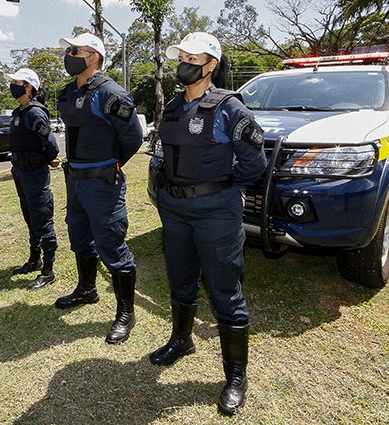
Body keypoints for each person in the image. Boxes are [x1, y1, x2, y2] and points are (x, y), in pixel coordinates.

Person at [148, 32, 267, 415]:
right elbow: (162, 155)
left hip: (216, 212)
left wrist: (222, 187)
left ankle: (235, 376)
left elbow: (254, 163)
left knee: (224, 292)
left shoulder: (230, 108)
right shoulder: (171, 108)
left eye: (191, 57)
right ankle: (182, 340)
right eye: (180, 55)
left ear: (211, 65)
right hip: (176, 210)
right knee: (180, 280)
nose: (183, 62)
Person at [55, 33, 143, 345]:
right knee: (79, 236)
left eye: (75, 50)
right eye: (69, 49)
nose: (69, 54)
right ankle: (86, 289)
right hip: (75, 179)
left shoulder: (110, 93)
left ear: (93, 57)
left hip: (102, 182)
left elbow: (133, 138)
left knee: (111, 243)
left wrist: (109, 165)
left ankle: (125, 312)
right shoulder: (66, 94)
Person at [5, 68, 60, 291]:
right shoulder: (20, 112)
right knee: (30, 217)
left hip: (35, 174)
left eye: (17, 82)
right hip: (20, 172)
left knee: (42, 218)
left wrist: (49, 159)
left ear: (28, 87)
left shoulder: (35, 113)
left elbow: (51, 144)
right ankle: (34, 260)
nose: (13, 86)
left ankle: (48, 270)